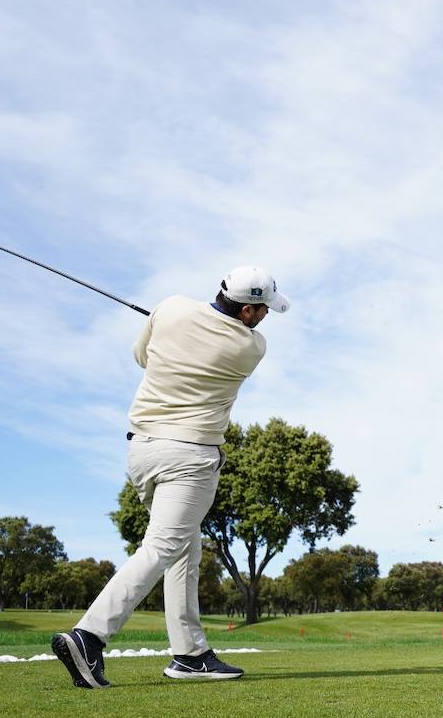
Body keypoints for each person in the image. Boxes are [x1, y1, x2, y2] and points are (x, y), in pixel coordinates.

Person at [52, 266, 290, 688]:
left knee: (185, 547)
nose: (266, 318)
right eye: (265, 310)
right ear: (249, 311)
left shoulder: (172, 307)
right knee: (163, 546)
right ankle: (89, 636)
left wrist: (170, 331)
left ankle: (190, 654)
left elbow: (142, 357)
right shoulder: (251, 347)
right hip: (190, 457)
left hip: (142, 451)